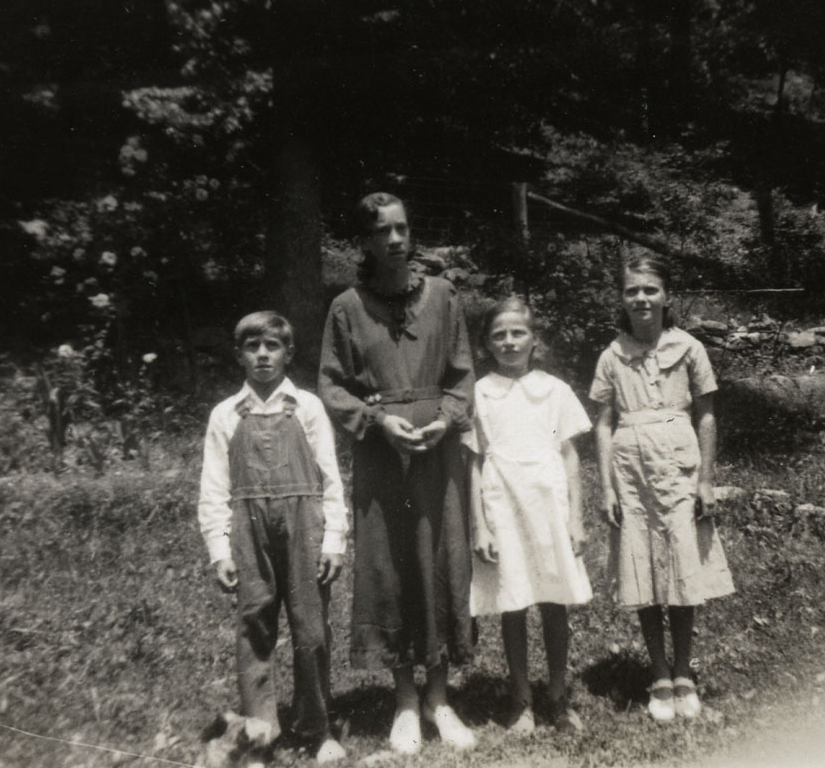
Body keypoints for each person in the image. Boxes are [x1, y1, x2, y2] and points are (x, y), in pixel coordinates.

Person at [319, 192, 477, 754]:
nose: (394, 239)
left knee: (441, 559)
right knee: (390, 567)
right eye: (382, 231)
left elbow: (462, 375)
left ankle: (440, 698)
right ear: (365, 241)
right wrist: (376, 421)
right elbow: (331, 384)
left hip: (438, 452)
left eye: (402, 229)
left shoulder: (443, 296)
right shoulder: (346, 307)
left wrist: (446, 419)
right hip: (382, 456)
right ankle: (406, 701)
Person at [589, 254, 735, 723]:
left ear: (667, 296)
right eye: (632, 290)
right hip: (631, 473)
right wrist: (607, 486)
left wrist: (706, 478)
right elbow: (604, 422)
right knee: (643, 566)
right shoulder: (612, 356)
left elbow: (706, 414)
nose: (642, 298)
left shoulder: (689, 348)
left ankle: (684, 671)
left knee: (681, 563)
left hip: (679, 468)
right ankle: (659, 674)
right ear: (621, 299)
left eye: (650, 289)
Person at [198, 311, 348, 764]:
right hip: (249, 530)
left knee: (311, 628)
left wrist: (333, 539)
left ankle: (317, 727)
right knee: (254, 627)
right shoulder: (226, 414)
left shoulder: (308, 407)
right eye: (252, 347)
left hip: (305, 525)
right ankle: (259, 735)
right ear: (239, 355)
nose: (262, 355)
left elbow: (330, 477)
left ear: (288, 353)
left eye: (272, 346)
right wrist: (220, 549)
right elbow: (214, 489)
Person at [466, 296, 593, 735]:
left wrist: (576, 518)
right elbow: (474, 461)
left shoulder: (553, 390)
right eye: (499, 334)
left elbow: (569, 456)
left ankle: (557, 695)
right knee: (513, 600)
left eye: (518, 333)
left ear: (534, 340)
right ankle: (521, 697)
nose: (509, 341)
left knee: (554, 600)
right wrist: (480, 524)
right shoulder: (480, 393)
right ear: (486, 343)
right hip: (502, 503)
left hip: (547, 503)